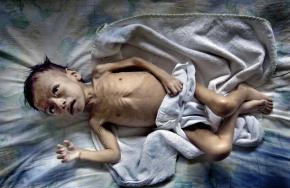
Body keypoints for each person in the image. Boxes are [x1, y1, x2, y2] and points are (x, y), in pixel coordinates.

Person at [24, 57, 273, 163]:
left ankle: (240, 93)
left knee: (223, 104)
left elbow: (136, 61)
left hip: (179, 89)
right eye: (51, 109)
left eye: (56, 91)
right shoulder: (97, 121)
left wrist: (165, 77)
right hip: (178, 118)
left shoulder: (101, 72)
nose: (60, 104)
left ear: (73, 75)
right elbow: (113, 155)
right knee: (220, 150)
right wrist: (80, 154)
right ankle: (237, 111)